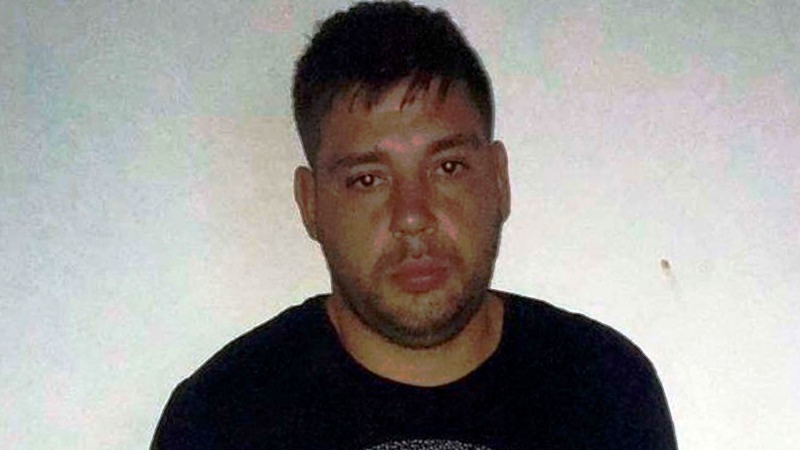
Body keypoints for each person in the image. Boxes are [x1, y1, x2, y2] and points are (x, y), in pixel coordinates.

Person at [151, 2, 677, 449]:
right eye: (367, 179)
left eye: (447, 168)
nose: (412, 216)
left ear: (498, 180)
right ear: (310, 204)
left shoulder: (605, 391)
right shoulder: (220, 420)